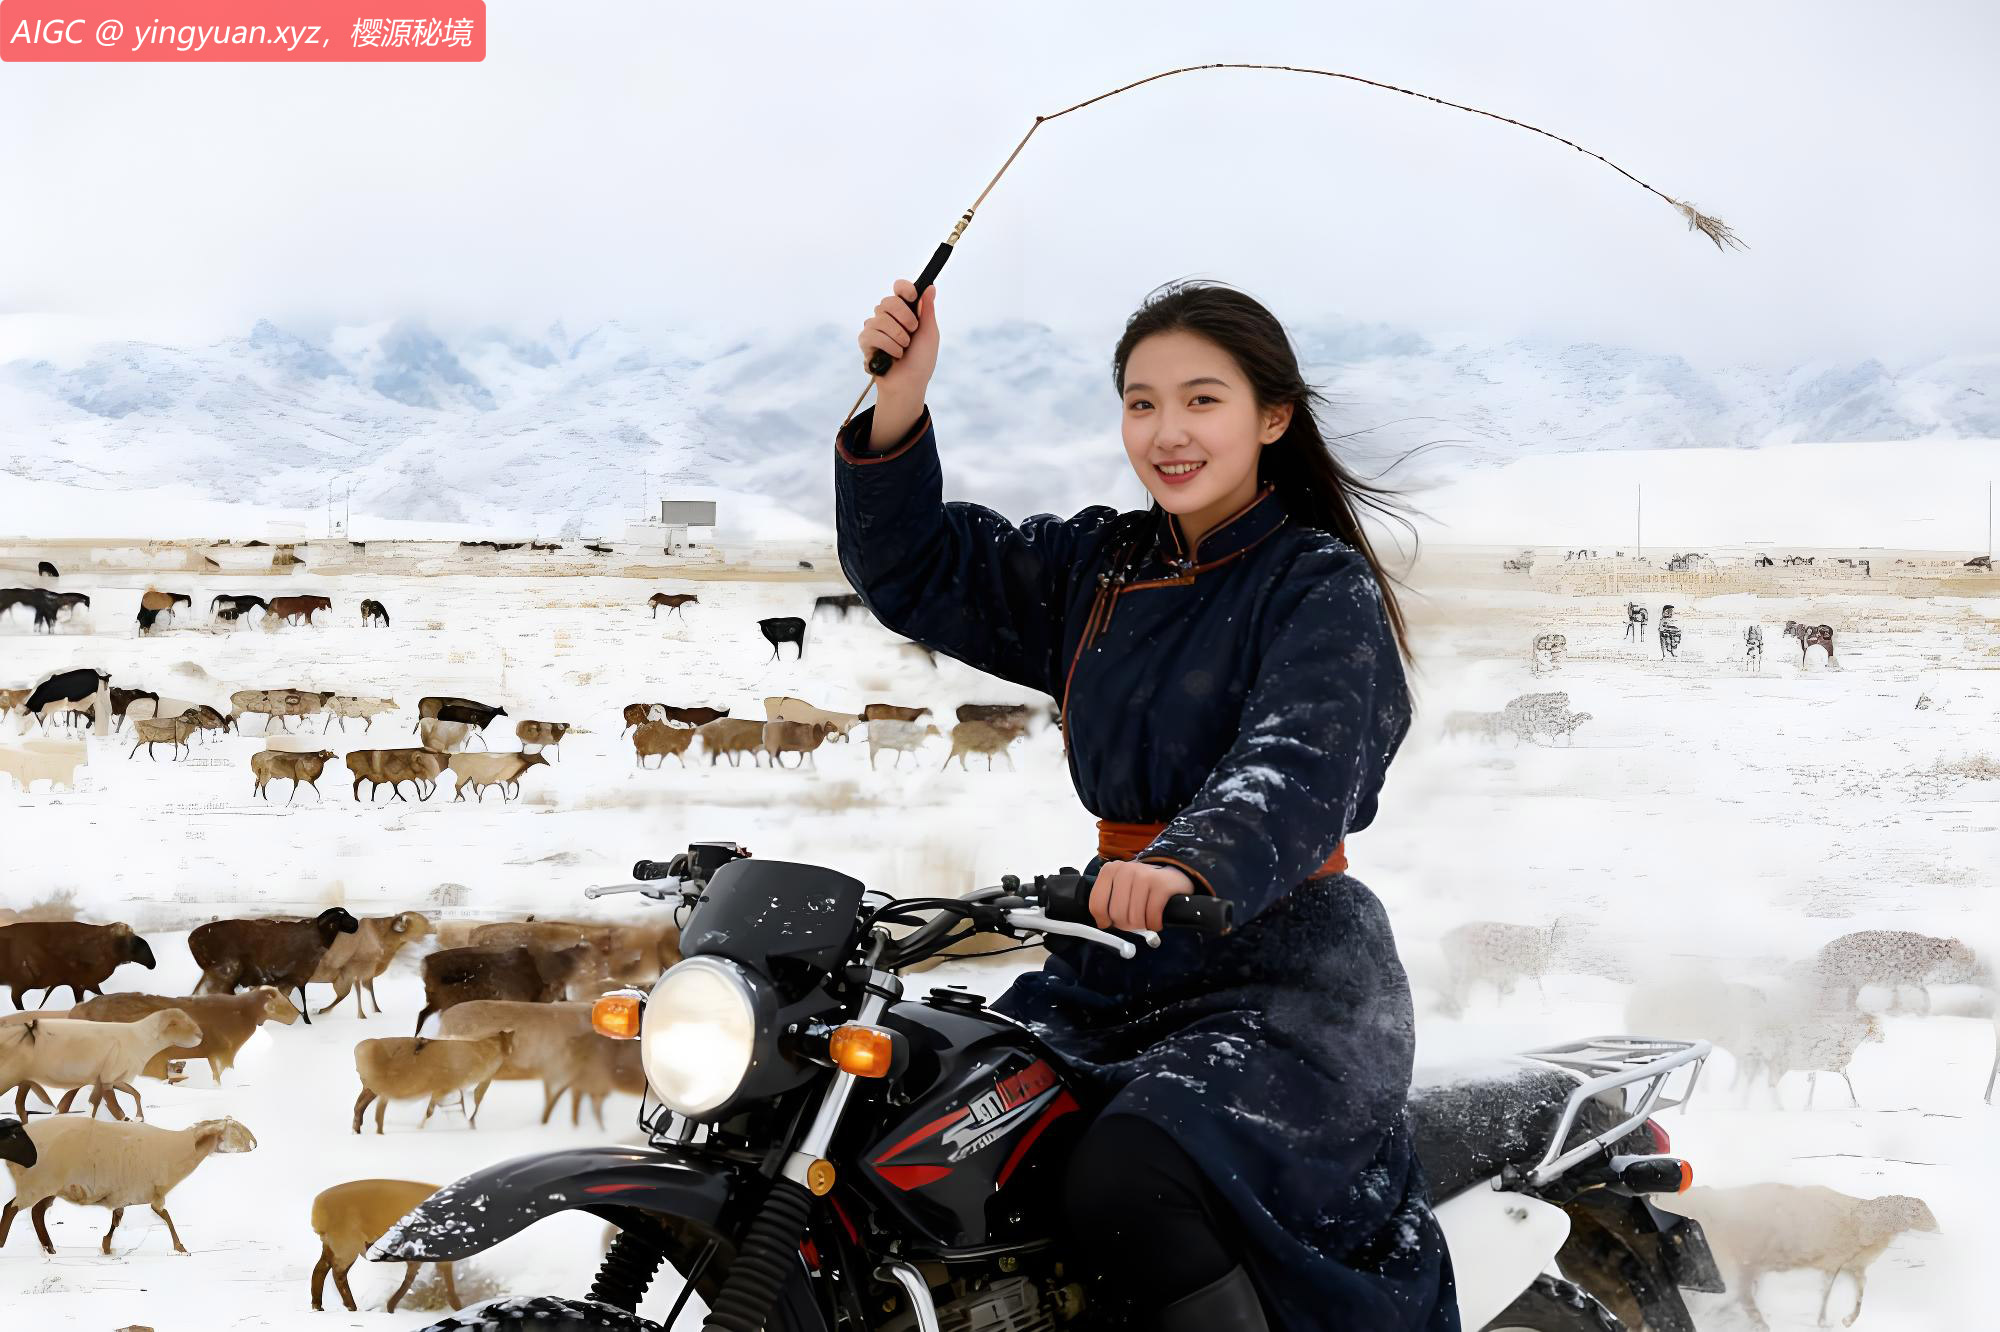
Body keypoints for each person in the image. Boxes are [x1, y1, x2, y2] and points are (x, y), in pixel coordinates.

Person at [834, 276, 1456, 1332]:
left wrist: (1185, 864)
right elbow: (914, 568)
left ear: (1271, 418)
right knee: (925, 1140)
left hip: (1289, 982)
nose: (1166, 432)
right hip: (1109, 968)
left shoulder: (1315, 585)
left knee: (1127, 1176)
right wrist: (901, 398)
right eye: (1139, 402)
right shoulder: (1100, 565)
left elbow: (1297, 759)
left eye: (1201, 400)